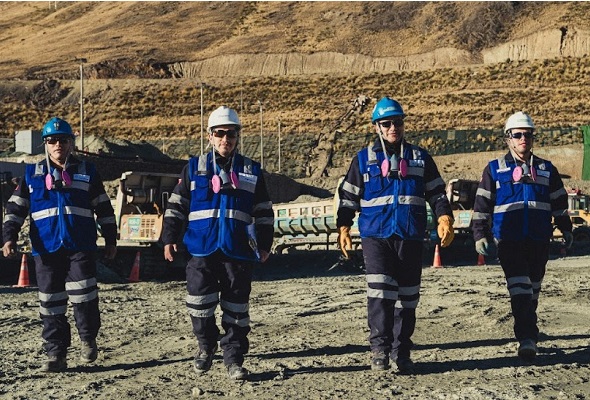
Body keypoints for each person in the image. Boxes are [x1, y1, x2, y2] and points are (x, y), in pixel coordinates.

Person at [336, 97, 455, 373]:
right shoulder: (363, 160)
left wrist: (444, 216)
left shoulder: (420, 158)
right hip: (376, 236)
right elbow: (348, 197)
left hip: (410, 235)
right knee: (380, 293)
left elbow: (437, 193)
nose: (393, 128)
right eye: (387, 123)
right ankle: (379, 349)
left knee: (408, 297)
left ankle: (401, 352)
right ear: (376, 127)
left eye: (398, 122)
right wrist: (343, 227)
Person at [162, 106, 274, 380]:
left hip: (238, 251)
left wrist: (264, 244)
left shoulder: (251, 170)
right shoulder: (194, 168)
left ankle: (234, 359)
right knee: (199, 304)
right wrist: (169, 238)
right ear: (210, 136)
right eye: (220, 133)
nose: (226, 139)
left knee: (236, 308)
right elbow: (176, 206)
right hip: (201, 249)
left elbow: (263, 211)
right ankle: (206, 345)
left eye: (231, 134)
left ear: (238, 136)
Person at [2, 117, 117, 372]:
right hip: (46, 249)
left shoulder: (87, 172)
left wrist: (111, 239)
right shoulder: (32, 175)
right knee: (51, 303)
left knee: (84, 296)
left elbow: (104, 208)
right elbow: (15, 210)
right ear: (45, 144)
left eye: (63, 140)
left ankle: (88, 339)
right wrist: (8, 237)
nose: (58, 145)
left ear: (71, 143)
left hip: (80, 246)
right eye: (52, 140)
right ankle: (56, 354)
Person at [472, 111, 573, 362]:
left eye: (527, 134)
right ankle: (527, 338)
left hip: (539, 240)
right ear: (508, 138)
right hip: (509, 241)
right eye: (517, 135)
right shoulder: (494, 169)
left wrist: (566, 228)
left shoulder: (546, 169)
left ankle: (529, 328)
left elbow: (559, 203)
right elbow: (482, 206)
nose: (523, 139)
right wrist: (480, 234)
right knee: (520, 288)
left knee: (533, 290)